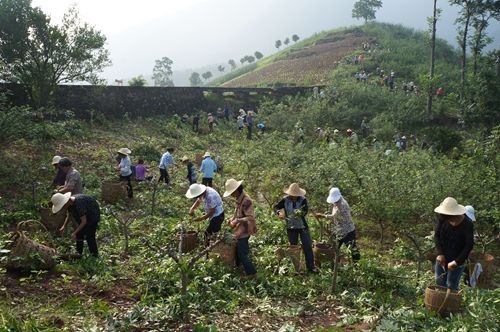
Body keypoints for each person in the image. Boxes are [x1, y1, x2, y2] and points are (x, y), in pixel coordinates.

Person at [274, 183, 316, 273]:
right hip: (291, 227)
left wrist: (298, 213)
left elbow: (305, 212)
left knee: (307, 246)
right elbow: (276, 207)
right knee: (294, 248)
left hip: (302, 226)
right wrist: (279, 213)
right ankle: (298, 269)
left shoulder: (303, 200)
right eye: (292, 194)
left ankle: (311, 267)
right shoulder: (285, 200)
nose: (293, 196)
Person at [434, 197, 474, 291]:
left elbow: (469, 245)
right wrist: (440, 253)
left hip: (458, 258)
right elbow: (437, 236)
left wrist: (456, 261)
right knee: (439, 282)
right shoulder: (443, 218)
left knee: (451, 285)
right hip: (443, 258)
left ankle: (451, 304)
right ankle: (440, 303)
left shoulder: (467, 224)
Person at [315, 188, 360, 262]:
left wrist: (323, 215)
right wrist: (331, 220)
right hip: (339, 230)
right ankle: (336, 264)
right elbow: (335, 216)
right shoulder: (336, 202)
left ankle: (357, 265)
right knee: (335, 248)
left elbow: (334, 216)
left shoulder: (342, 204)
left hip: (348, 231)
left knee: (352, 249)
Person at [224, 179, 257, 277]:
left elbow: (251, 217)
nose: (231, 195)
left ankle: (252, 273)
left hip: (246, 229)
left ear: (236, 190)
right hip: (240, 229)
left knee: (242, 253)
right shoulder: (239, 199)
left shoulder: (246, 201)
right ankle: (239, 269)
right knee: (238, 250)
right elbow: (237, 212)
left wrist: (237, 221)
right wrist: (232, 219)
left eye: (231, 193)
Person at [53, 192, 100, 257]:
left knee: (90, 235)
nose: (63, 207)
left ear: (66, 201)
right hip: (84, 216)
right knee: (79, 234)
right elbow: (70, 215)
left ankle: (94, 256)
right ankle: (78, 254)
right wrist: (64, 226)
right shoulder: (69, 204)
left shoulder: (78, 204)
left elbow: (84, 221)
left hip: (93, 215)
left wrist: (74, 233)